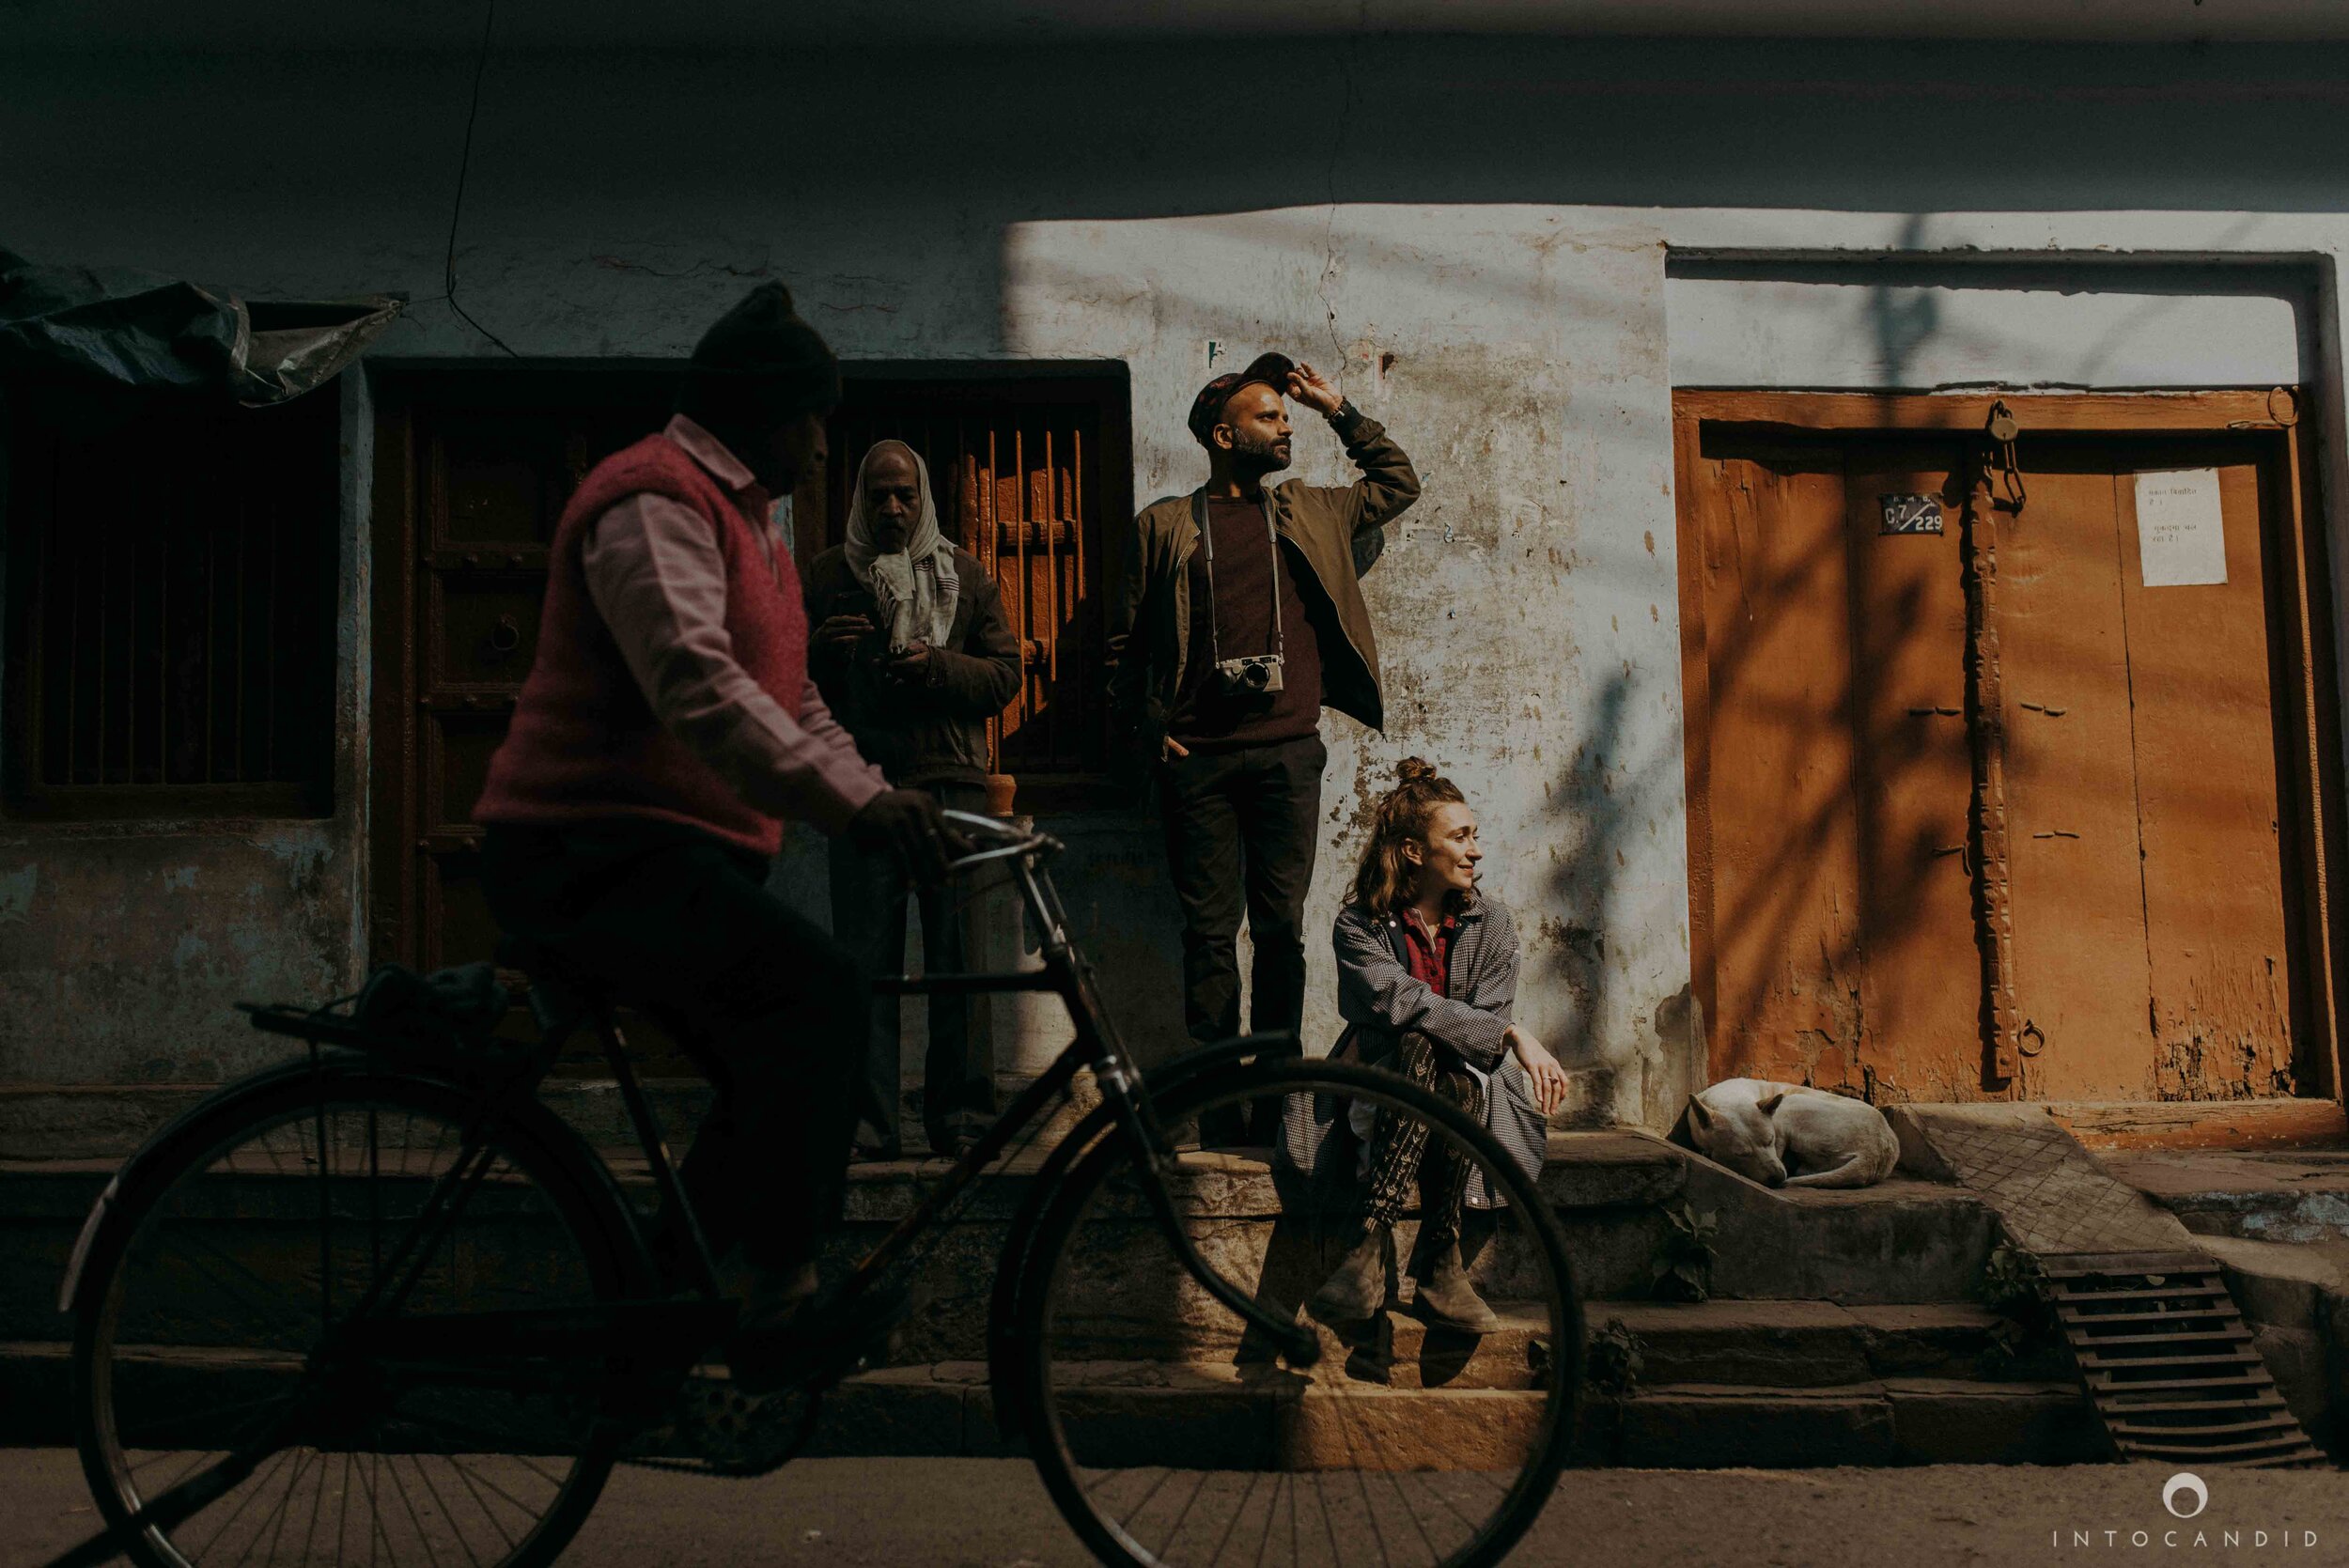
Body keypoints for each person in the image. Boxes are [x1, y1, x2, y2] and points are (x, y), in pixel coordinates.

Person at [473, 282, 961, 1376]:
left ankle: (655, 1301)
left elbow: (789, 699)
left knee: (771, 1066)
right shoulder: (650, 499)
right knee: (822, 997)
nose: (823, 440)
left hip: (654, 853)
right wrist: (856, 806)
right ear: (765, 412)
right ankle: (777, 1296)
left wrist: (877, 794)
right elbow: (698, 683)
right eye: (814, 417)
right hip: (584, 850)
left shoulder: (750, 526)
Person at [1105, 352, 1420, 1144]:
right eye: (1268, 416)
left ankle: (1280, 1098)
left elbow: (1399, 482)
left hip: (1286, 753)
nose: (1284, 426)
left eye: (1286, 416)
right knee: (1209, 935)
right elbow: (1122, 645)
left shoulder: (1311, 509)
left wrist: (1335, 407)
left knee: (1280, 932)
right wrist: (1150, 728)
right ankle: (1218, 1103)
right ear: (1222, 433)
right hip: (1197, 761)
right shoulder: (1166, 525)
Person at [804, 440, 1021, 1159]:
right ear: (860, 501)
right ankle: (870, 1124)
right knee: (864, 961)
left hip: (952, 785)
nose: (893, 509)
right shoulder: (829, 574)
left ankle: (962, 1117)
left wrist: (937, 668)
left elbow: (1002, 675)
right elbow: (787, 682)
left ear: (923, 497)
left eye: (905, 495)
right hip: (862, 791)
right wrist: (820, 653)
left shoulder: (964, 572)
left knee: (963, 960)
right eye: (879, 496)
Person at [1306, 758, 1571, 1334]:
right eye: (1459, 837)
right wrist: (1509, 1032)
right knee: (1416, 1047)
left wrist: (1494, 1033)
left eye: (1475, 835)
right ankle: (1440, 1265)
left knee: (1442, 1067)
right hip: (1375, 1080)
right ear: (1413, 851)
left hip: (1463, 1087)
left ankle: (1371, 1245)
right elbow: (1401, 1004)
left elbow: (1476, 1040)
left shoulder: (1493, 924)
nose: (1475, 850)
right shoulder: (1359, 927)